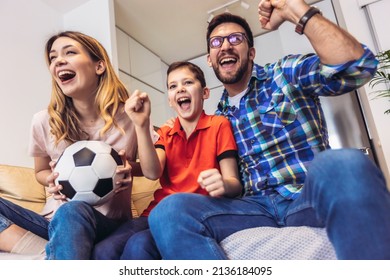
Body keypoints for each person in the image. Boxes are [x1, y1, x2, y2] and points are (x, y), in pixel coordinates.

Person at [147, 0, 390, 260]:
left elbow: (357, 67)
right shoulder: (218, 119)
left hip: (304, 196)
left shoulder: (284, 74)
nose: (226, 45)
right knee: (169, 210)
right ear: (210, 60)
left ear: (251, 52)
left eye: (235, 38)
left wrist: (298, 11)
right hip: (252, 209)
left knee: (343, 162)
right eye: (217, 42)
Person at [0, 31, 150, 259]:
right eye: (53, 57)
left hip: (107, 224)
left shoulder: (130, 114)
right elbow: (40, 171)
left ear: (99, 66)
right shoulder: (44, 120)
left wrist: (128, 168)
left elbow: (152, 170)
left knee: (74, 209)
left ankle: (58, 253)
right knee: (67, 212)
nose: (58, 61)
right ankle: (49, 250)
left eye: (69, 52)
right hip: (54, 222)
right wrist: (49, 179)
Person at [92, 61, 242, 259]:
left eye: (187, 83)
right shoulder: (165, 132)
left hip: (195, 211)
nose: (180, 89)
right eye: (173, 86)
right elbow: (152, 172)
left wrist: (224, 184)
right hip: (156, 211)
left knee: (138, 246)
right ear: (170, 101)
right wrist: (142, 125)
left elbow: (235, 184)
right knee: (104, 250)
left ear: (205, 93)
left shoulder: (219, 125)